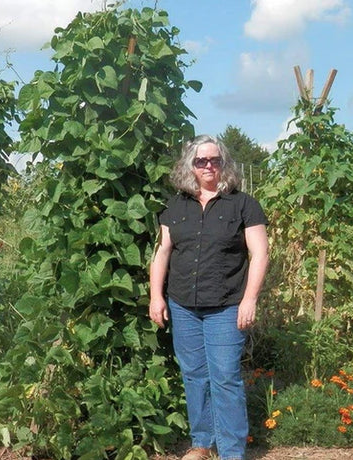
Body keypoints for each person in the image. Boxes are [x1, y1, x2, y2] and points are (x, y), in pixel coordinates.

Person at [149, 135, 269, 460]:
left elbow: (260, 254)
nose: (208, 166)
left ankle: (231, 452)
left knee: (226, 376)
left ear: (224, 163)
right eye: (201, 161)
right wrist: (155, 297)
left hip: (227, 306)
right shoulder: (176, 205)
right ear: (191, 165)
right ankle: (202, 444)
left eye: (214, 160)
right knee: (194, 375)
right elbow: (163, 252)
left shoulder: (243, 204)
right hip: (182, 304)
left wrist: (250, 299)